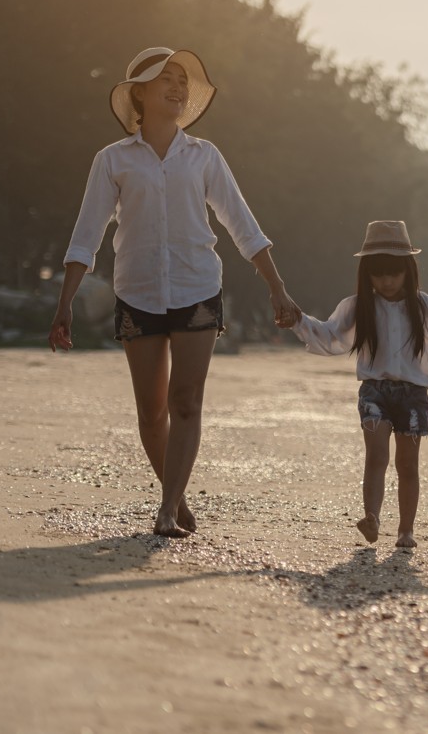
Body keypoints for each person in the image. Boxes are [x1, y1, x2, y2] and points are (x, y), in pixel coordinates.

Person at [48, 47, 298, 538]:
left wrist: (277, 289)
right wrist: (64, 306)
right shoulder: (112, 160)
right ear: (139, 92)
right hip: (136, 292)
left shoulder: (204, 156)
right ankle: (176, 495)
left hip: (198, 288)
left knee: (186, 402)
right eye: (167, 78)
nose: (179, 87)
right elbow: (87, 234)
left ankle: (165, 510)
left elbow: (242, 226)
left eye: (184, 80)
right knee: (151, 413)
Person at [282, 220, 428, 549]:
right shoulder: (356, 307)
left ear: (408, 270)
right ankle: (372, 517)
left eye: (394, 272)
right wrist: (298, 320)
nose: (386, 281)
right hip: (374, 392)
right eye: (378, 273)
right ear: (367, 273)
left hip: (414, 395)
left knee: (407, 464)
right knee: (377, 456)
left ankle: (406, 531)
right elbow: (329, 336)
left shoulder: (427, 307)